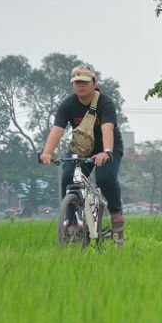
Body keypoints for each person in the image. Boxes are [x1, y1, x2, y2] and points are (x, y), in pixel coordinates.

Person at [40, 65, 125, 238]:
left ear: (93, 83)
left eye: (85, 82)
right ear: (73, 85)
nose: (81, 85)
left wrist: (106, 152)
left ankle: (116, 214)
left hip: (108, 148)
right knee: (68, 177)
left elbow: (107, 130)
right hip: (82, 149)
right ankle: (72, 221)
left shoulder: (105, 103)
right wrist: (47, 152)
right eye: (77, 82)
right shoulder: (68, 105)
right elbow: (57, 130)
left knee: (105, 178)